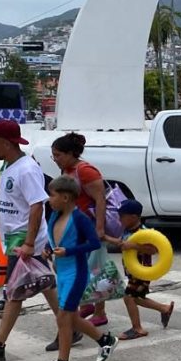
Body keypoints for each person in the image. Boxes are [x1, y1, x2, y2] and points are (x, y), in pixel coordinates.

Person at [0, 120, 91, 361]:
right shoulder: (8, 166)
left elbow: (36, 206)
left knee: (14, 292)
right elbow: (10, 203)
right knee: (46, 285)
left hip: (25, 240)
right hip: (14, 239)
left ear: (6, 143)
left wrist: (31, 243)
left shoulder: (26, 169)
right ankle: (73, 327)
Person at [36, 176, 118, 361]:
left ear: (65, 197)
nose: (48, 199)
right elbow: (53, 238)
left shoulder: (79, 218)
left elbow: (93, 243)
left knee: (63, 318)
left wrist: (69, 251)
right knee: (71, 318)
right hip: (61, 273)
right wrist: (48, 249)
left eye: (52, 195)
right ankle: (106, 340)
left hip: (76, 273)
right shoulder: (54, 215)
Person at [50, 132, 111, 329]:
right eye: (54, 155)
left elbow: (101, 199)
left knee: (96, 270)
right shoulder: (67, 171)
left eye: (58, 155)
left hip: (89, 227)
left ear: (70, 153)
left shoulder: (85, 171)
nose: (55, 159)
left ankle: (100, 312)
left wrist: (99, 228)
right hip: (73, 229)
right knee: (82, 270)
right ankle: (86, 303)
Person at [102, 199, 175, 339]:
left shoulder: (144, 232)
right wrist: (106, 238)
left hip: (142, 271)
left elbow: (153, 250)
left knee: (128, 297)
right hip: (131, 271)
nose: (119, 218)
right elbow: (123, 244)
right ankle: (164, 308)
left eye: (122, 216)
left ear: (134, 217)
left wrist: (135, 246)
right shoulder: (127, 230)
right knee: (137, 298)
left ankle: (137, 328)